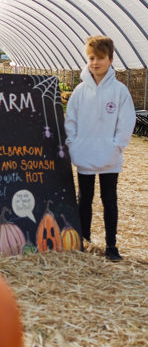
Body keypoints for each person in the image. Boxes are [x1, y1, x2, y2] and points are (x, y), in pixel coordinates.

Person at [64, 35, 136, 261]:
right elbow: (71, 120)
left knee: (109, 198)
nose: (95, 63)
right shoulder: (79, 91)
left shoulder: (119, 91)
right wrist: (74, 145)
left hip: (109, 158)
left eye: (101, 58)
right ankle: (83, 241)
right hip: (84, 154)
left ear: (111, 59)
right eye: (92, 57)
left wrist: (116, 147)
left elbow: (126, 122)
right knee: (84, 198)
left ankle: (111, 245)